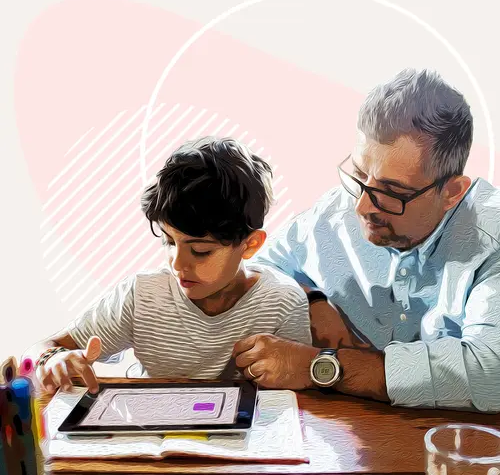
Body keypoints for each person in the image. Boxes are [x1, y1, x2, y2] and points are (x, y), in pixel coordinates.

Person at [233, 68, 500, 413]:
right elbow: (255, 269)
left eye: (392, 193)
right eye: (359, 175)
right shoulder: (336, 211)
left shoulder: (490, 242)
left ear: (451, 192)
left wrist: (322, 367)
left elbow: (491, 370)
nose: (361, 206)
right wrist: (311, 301)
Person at [23, 136, 312, 394]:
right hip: (149, 437)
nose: (177, 263)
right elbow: (45, 348)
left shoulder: (282, 302)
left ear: (250, 245)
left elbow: (300, 396)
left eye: (200, 251)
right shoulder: (142, 295)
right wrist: (52, 360)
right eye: (168, 241)